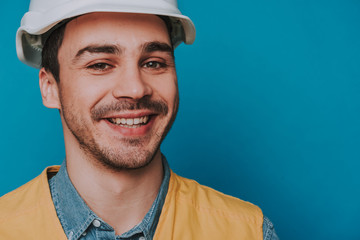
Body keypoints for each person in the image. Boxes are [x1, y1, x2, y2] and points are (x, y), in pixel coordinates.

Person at [0, 0, 279, 239]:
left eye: (153, 63)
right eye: (100, 65)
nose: (135, 89)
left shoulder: (246, 231)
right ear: (50, 88)